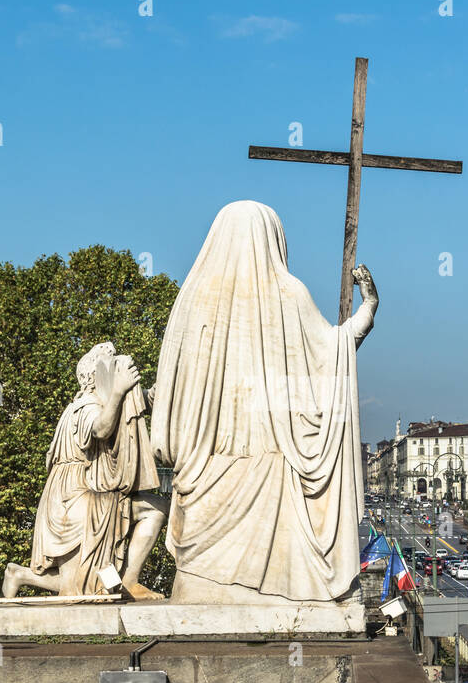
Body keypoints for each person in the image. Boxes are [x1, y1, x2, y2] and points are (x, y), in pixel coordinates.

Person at [150, 201, 377, 604]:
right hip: (274, 473)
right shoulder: (288, 293)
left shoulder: (190, 300)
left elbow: (171, 389)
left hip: (206, 475)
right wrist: (368, 309)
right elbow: (331, 355)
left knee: (195, 596)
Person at [3, 343, 167, 599]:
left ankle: (129, 582)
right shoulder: (86, 406)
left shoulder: (103, 403)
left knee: (155, 510)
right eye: (110, 368)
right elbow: (101, 429)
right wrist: (118, 390)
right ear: (96, 377)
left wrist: (161, 385)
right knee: (80, 586)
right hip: (73, 497)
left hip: (89, 492)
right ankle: (20, 575)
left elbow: (136, 404)